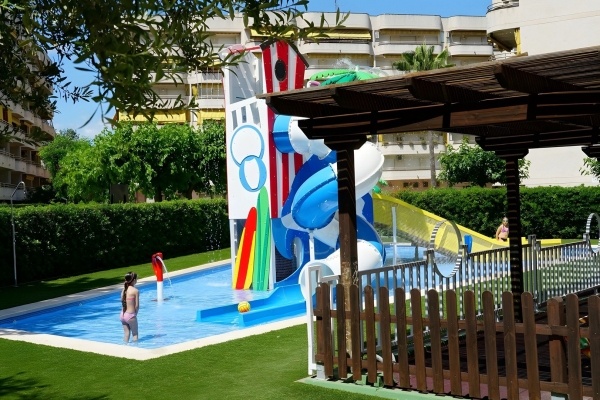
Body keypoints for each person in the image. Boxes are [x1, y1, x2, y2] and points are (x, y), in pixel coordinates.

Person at [119, 271, 139, 343]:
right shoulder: (135, 291)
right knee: (135, 334)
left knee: (126, 334)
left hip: (122, 315)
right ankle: (136, 348)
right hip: (130, 315)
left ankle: (125, 347)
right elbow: (137, 306)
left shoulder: (124, 290)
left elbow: (122, 301)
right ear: (134, 280)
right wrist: (135, 315)